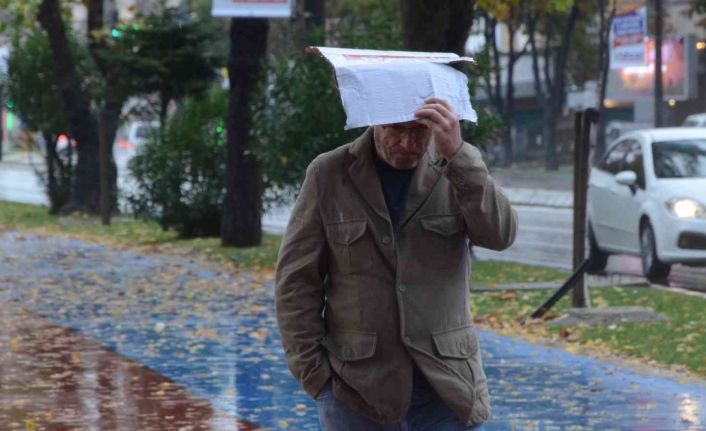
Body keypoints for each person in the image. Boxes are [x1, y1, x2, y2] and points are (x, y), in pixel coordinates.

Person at [275, 97, 517, 430]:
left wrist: (459, 155)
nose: (407, 142)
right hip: (357, 390)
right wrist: (315, 377)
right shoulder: (329, 173)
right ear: (373, 120)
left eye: (418, 131)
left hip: (448, 389)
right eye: (395, 129)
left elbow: (500, 235)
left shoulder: (455, 168)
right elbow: (296, 281)